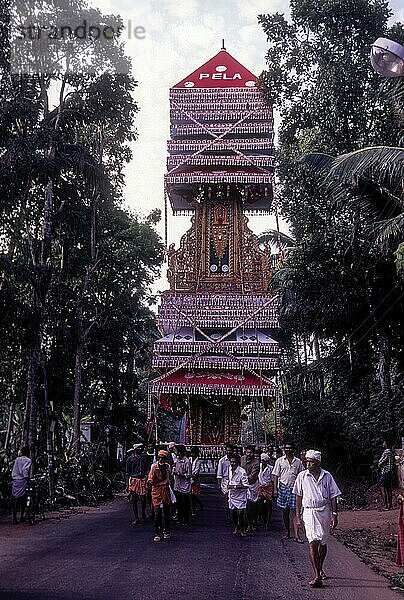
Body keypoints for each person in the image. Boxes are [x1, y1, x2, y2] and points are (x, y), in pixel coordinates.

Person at [293, 449, 341, 588]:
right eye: (307, 461)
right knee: (313, 541)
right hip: (309, 512)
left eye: (311, 461)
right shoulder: (302, 476)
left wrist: (334, 514)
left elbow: (334, 496)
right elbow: (298, 496)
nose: (308, 463)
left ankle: (320, 568)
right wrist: (297, 516)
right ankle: (317, 575)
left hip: (324, 511)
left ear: (318, 463)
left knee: (323, 542)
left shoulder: (327, 476)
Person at [272, 442, 304, 542]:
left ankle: (297, 535)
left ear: (293, 449)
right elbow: (276, 476)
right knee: (285, 511)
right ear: (284, 449)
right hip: (283, 487)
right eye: (286, 448)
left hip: (294, 489)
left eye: (290, 448)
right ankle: (287, 532)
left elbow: (301, 476)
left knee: (295, 511)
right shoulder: (280, 461)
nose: (288, 450)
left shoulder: (298, 462)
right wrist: (275, 489)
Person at [147, 449, 173, 542]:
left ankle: (166, 530)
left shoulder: (167, 467)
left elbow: (170, 477)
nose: (161, 460)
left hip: (165, 490)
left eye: (163, 458)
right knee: (157, 513)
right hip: (156, 490)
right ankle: (157, 533)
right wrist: (150, 481)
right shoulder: (154, 467)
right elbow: (150, 478)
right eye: (160, 458)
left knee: (166, 513)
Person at [126, 443, 148, 524]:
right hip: (134, 479)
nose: (140, 450)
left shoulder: (144, 457)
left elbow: (147, 468)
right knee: (134, 499)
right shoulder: (130, 459)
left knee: (143, 499)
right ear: (135, 449)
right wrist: (127, 485)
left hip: (142, 479)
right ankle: (136, 517)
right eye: (139, 448)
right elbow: (127, 472)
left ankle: (143, 512)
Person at [228, 455, 249, 537]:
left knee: (240, 513)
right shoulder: (229, 469)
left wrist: (234, 486)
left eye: (234, 462)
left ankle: (242, 529)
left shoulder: (242, 472)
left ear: (238, 463)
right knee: (233, 513)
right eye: (231, 462)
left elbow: (246, 485)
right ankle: (236, 526)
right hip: (232, 495)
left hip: (240, 495)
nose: (232, 463)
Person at [241, 445, 260, 532]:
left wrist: (242, 477)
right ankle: (244, 524)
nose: (249, 454)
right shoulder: (242, 459)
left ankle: (251, 523)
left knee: (251, 505)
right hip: (242, 484)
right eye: (247, 452)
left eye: (251, 452)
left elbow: (252, 476)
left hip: (252, 485)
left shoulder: (256, 462)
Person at [11, 446, 32, 524]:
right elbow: (24, 470)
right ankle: (22, 516)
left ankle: (14, 517)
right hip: (22, 480)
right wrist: (27, 478)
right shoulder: (28, 460)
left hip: (15, 480)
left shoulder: (17, 459)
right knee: (23, 498)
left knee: (16, 499)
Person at [172, 444, 192, 525]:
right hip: (177, 485)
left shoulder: (187, 462)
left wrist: (180, 474)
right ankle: (180, 518)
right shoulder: (177, 460)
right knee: (178, 503)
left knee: (185, 504)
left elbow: (189, 475)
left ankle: (186, 520)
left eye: (176, 451)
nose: (175, 452)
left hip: (185, 486)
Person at [217, 443, 234, 521]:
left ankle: (233, 515)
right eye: (227, 450)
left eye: (230, 450)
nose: (228, 452)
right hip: (225, 481)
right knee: (227, 499)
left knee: (233, 498)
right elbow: (219, 474)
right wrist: (219, 485)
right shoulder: (222, 460)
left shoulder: (236, 459)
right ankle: (229, 515)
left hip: (234, 480)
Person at [258, 452, 274, 529]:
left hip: (268, 488)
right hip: (260, 487)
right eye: (262, 460)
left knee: (268, 504)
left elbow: (272, 479)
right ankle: (260, 519)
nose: (263, 462)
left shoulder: (271, 468)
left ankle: (267, 522)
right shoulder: (258, 467)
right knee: (260, 504)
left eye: (264, 461)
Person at [378, 439, 394, 510]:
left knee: (382, 487)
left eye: (384, 442)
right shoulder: (390, 452)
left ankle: (386, 506)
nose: (383, 443)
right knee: (388, 488)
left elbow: (381, 461)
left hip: (385, 472)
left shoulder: (386, 452)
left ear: (386, 444)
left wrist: (380, 464)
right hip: (389, 472)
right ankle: (390, 505)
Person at [190, 446, 203, 516]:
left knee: (193, 494)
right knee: (191, 495)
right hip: (189, 478)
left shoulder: (198, 461)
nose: (192, 455)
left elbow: (196, 471)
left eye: (193, 453)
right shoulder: (190, 459)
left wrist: (192, 475)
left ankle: (194, 509)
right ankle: (197, 506)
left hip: (195, 479)